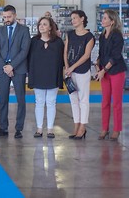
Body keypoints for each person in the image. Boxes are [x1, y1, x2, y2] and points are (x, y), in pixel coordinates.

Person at [0, 5, 31, 139]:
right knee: (3, 99)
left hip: (18, 69)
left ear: (14, 15)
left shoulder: (24, 30)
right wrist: (5, 66)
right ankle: (3, 127)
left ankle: (19, 129)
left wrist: (12, 66)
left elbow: (24, 51)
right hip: (3, 70)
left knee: (21, 99)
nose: (6, 19)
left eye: (9, 17)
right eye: (4, 17)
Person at [28, 17, 64, 138]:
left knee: (51, 102)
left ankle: (50, 129)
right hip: (38, 75)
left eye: (44, 24)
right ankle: (39, 129)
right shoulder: (33, 41)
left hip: (53, 75)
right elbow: (29, 60)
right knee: (39, 102)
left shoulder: (58, 42)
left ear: (50, 27)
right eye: (40, 24)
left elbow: (61, 61)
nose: (41, 26)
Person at [95, 9, 126, 142]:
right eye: (103, 18)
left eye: (105, 18)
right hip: (104, 72)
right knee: (105, 102)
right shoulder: (102, 36)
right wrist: (97, 63)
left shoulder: (117, 35)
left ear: (112, 21)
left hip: (116, 71)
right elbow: (102, 53)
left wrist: (104, 70)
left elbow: (116, 56)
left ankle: (117, 129)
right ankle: (104, 128)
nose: (103, 20)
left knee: (116, 102)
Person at [64, 10, 94, 140]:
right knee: (73, 100)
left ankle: (83, 126)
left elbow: (86, 55)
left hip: (82, 71)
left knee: (83, 100)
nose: (73, 20)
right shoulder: (69, 34)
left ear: (82, 19)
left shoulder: (89, 36)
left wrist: (72, 67)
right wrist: (66, 67)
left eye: (75, 18)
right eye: (72, 18)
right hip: (70, 72)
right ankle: (76, 125)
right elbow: (65, 51)